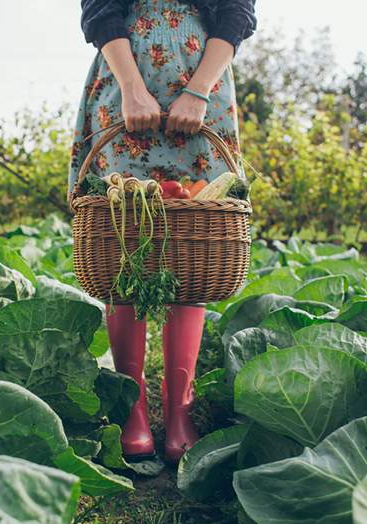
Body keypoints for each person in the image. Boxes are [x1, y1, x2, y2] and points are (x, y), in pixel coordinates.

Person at [70, 0, 257, 463]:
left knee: (197, 239)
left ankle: (180, 412)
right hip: (124, 78)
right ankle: (131, 410)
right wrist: (132, 87)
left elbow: (237, 13)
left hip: (202, 81)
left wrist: (199, 90)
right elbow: (99, 9)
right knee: (123, 238)